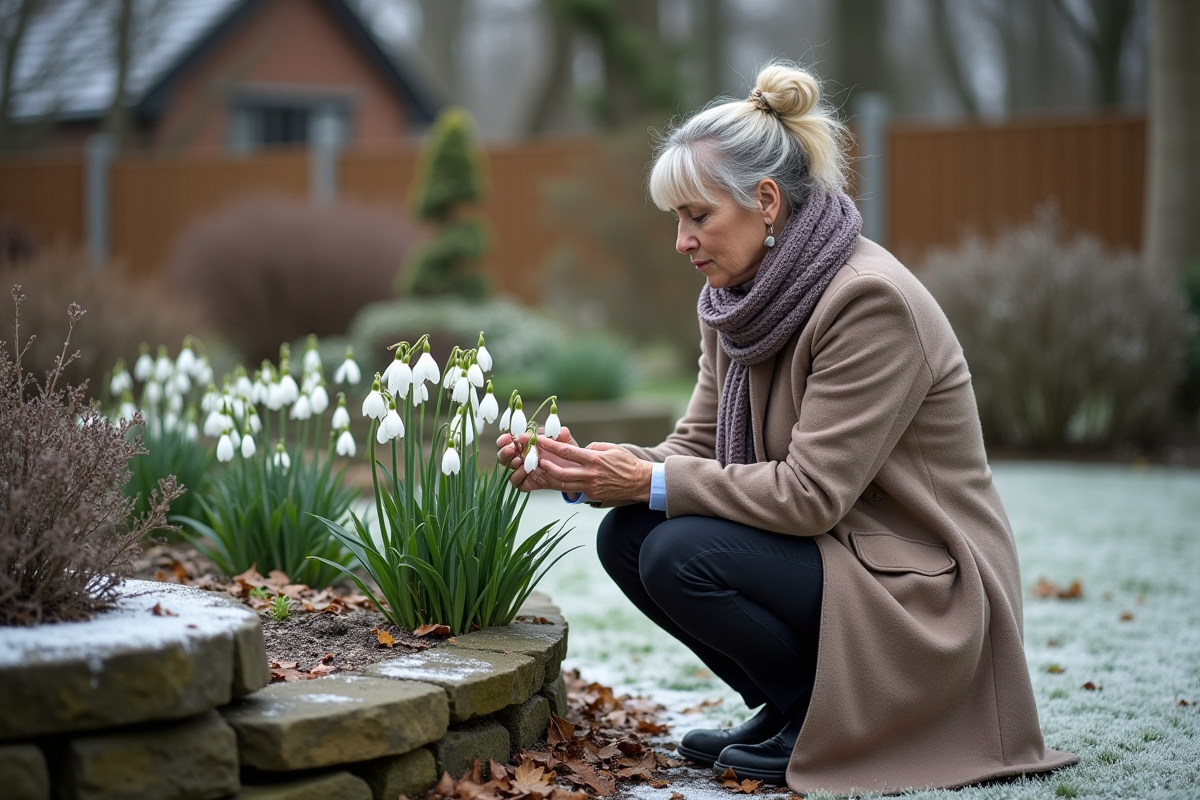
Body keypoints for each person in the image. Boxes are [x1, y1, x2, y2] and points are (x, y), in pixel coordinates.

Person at [496, 61, 1078, 795]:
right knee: (629, 536)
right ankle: (794, 706)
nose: (682, 241)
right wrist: (587, 470)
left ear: (766, 202)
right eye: (676, 219)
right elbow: (695, 449)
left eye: (697, 216)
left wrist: (646, 480)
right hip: (843, 555)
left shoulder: (868, 302)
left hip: (923, 589)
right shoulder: (737, 302)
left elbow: (811, 496)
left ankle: (825, 718)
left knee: (676, 551)